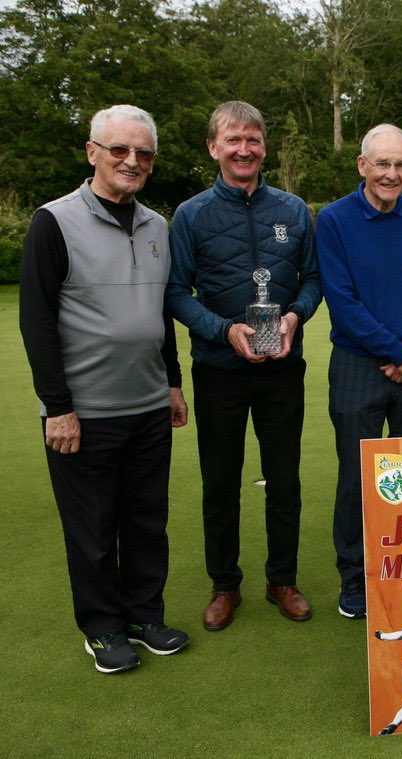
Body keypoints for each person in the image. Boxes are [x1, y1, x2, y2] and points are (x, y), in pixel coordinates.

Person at [19, 104, 190, 673]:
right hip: (84, 411)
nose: (131, 160)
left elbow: (159, 313)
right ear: (92, 152)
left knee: (146, 522)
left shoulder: (157, 225)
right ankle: (102, 628)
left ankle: (144, 616)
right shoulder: (54, 221)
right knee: (92, 529)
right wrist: (58, 407)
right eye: (119, 149)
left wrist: (172, 382)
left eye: (143, 152)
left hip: (147, 403)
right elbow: (36, 321)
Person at [167, 101, 322, 631]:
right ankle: (224, 585)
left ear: (264, 147)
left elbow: (313, 280)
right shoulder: (191, 214)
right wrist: (223, 330)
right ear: (213, 147)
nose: (244, 149)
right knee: (220, 483)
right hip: (218, 370)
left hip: (282, 368)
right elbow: (176, 292)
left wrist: (296, 316)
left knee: (284, 480)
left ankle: (282, 580)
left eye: (253, 139)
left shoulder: (293, 210)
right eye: (233, 139)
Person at [316, 123, 402, 619]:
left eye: (400, 165)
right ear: (363, 166)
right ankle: (356, 576)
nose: (390, 174)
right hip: (359, 366)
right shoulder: (334, 220)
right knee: (358, 477)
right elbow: (342, 301)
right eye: (382, 164)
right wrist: (398, 352)